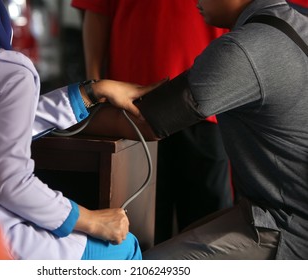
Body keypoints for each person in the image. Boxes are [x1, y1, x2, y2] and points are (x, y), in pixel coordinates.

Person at [0, 0, 161, 260]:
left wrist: (92, 91)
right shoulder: (9, 69)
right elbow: (11, 184)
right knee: (125, 249)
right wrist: (91, 220)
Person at [80, 0, 308, 259]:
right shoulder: (295, 20)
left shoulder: (245, 48)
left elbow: (146, 121)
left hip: (286, 226)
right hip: (273, 209)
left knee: (141, 265)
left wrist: (70, 102)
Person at [71, 0, 234, 244]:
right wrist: (95, 88)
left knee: (210, 228)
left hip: (209, 105)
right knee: (138, 228)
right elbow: (97, 11)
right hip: (131, 109)